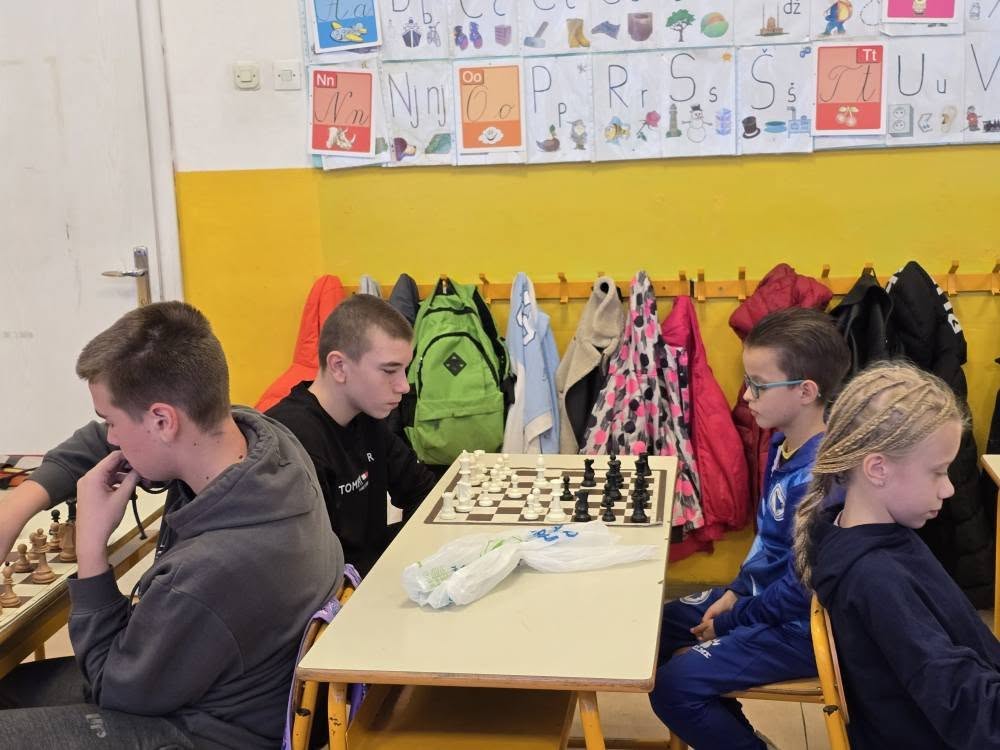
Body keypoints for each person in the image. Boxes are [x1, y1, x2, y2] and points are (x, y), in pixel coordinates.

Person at [0, 302, 343, 749]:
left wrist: (91, 550)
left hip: (202, 730)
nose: (110, 438)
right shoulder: (268, 440)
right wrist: (17, 506)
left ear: (163, 421)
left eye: (112, 422)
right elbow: (97, 441)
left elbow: (110, 689)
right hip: (219, 685)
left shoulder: (208, 572)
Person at [648, 308, 851, 750]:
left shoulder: (820, 480)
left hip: (804, 627)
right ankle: (734, 735)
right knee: (653, 629)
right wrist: (737, 591)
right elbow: (769, 543)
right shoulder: (782, 442)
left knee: (673, 688)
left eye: (758, 385)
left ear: (805, 391)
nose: (746, 395)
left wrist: (732, 620)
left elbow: (803, 590)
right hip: (764, 600)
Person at [794, 361, 1000, 749]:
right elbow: (962, 706)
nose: (949, 489)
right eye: (938, 472)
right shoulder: (877, 580)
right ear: (878, 469)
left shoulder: (859, 533)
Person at [266, 294, 437, 576]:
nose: (404, 386)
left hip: (370, 580)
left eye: (404, 370)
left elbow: (423, 493)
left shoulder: (366, 417)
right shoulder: (291, 442)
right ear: (339, 366)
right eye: (390, 371)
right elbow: (309, 570)